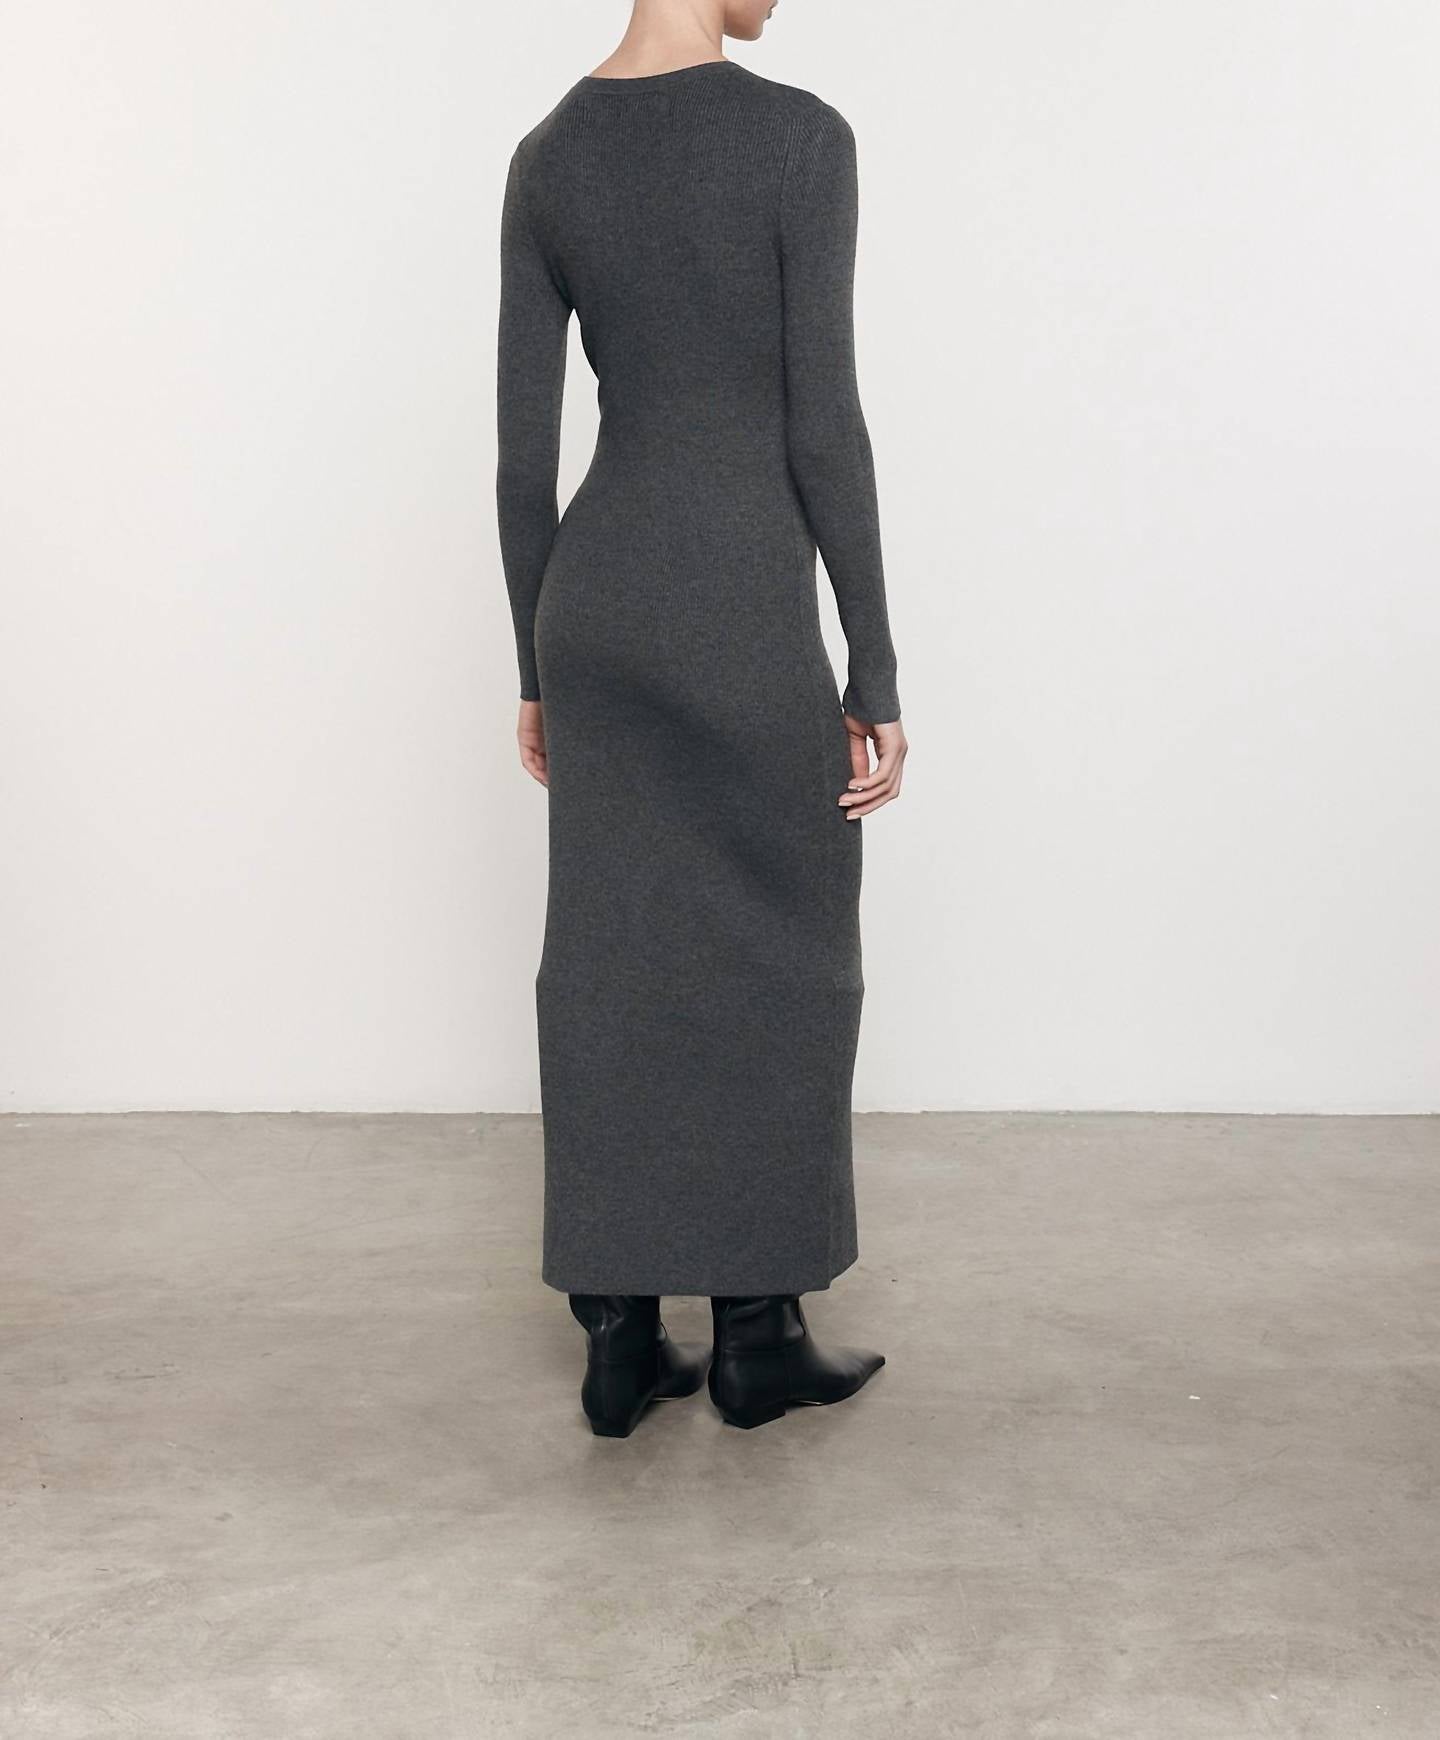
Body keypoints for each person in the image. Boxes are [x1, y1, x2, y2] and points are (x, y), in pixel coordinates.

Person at [496, 0, 908, 1436]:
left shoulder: (549, 156)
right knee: (787, 945)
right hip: (734, 595)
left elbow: (521, 459)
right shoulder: (798, 140)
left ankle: (619, 1338)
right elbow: (821, 420)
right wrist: (872, 667)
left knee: (609, 949)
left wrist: (536, 665)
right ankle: (757, 1333)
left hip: (597, 598)